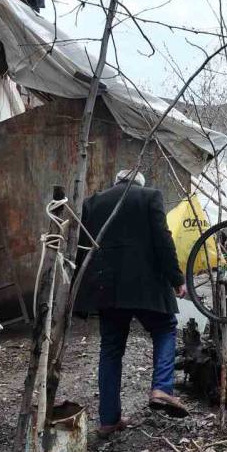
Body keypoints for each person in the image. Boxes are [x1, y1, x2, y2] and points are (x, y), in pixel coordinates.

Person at [74, 169, 189, 438]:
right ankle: (162, 387)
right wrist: (176, 278)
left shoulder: (93, 202)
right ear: (139, 183)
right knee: (165, 328)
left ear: (117, 182)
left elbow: (83, 247)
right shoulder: (150, 197)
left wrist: (82, 292)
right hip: (147, 285)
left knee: (111, 350)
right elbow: (163, 239)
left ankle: (108, 420)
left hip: (107, 289)